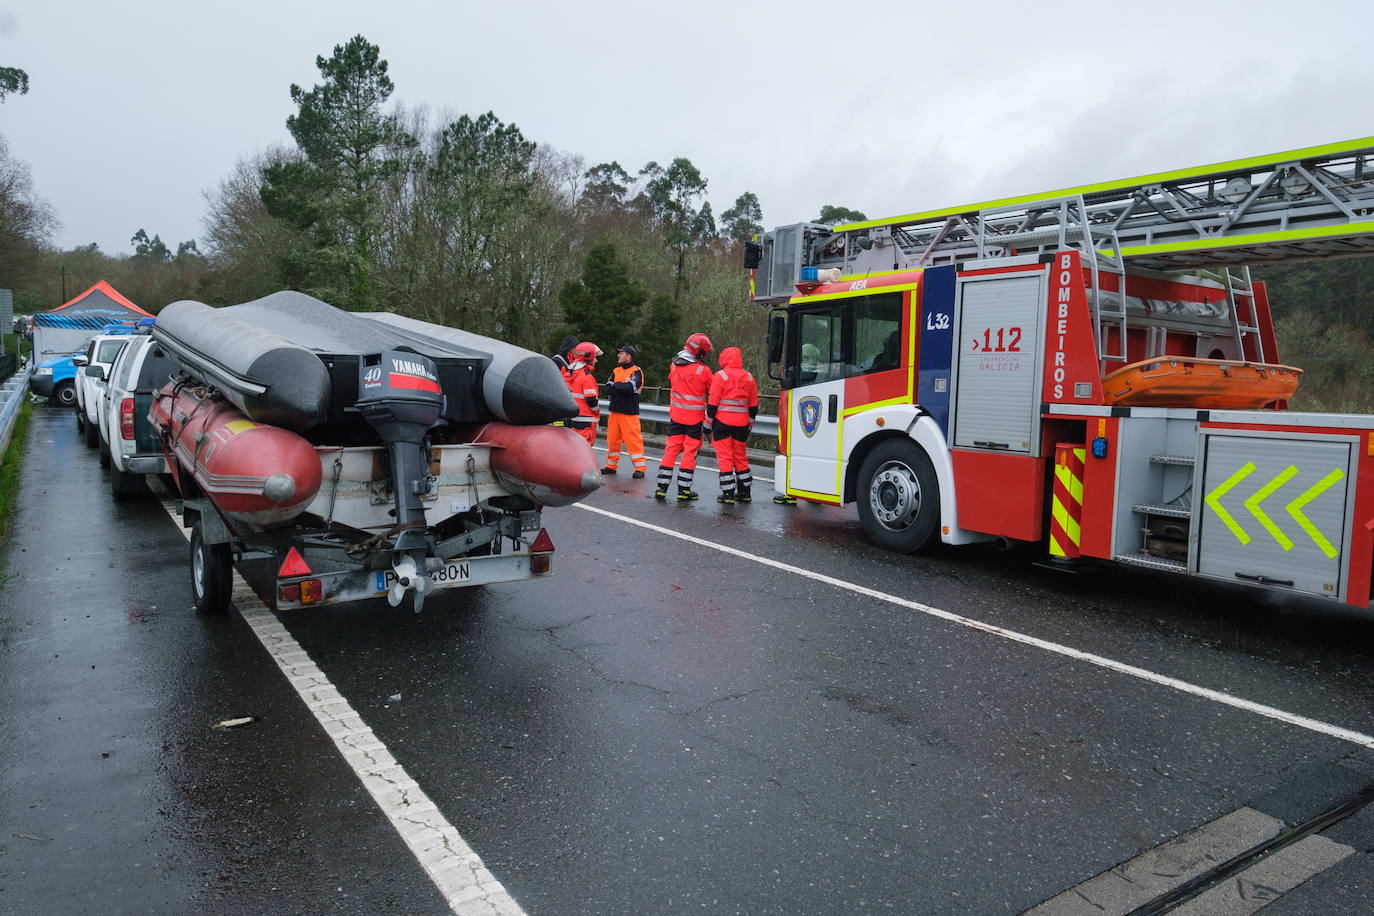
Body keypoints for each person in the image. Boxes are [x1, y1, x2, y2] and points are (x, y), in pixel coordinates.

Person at [655, 332, 713, 501]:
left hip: (676, 417)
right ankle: (684, 490)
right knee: (689, 453)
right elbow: (713, 392)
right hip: (694, 421)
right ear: (700, 353)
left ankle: (661, 488)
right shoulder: (704, 371)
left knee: (670, 451)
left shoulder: (673, 366)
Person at [708, 346, 759, 503]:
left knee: (725, 458)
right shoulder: (749, 377)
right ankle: (745, 492)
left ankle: (728, 493)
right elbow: (753, 404)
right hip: (742, 423)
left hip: (722, 423)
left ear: (724, 359)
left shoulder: (720, 376)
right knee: (740, 457)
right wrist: (749, 423)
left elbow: (712, 403)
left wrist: (707, 425)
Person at [602, 344, 647, 478]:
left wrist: (616, 386)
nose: (618, 355)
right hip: (614, 412)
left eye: (621, 353)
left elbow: (630, 387)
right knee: (612, 441)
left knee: (633, 441)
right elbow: (608, 389)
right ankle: (611, 466)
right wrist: (621, 387)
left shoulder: (636, 371)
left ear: (628, 356)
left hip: (629, 413)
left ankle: (640, 468)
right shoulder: (615, 371)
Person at [565, 342, 601, 446]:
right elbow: (591, 400)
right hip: (586, 423)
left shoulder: (569, 373)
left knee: (574, 450)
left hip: (573, 420)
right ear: (588, 358)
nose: (596, 360)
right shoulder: (586, 377)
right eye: (594, 357)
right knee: (584, 452)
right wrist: (597, 412)